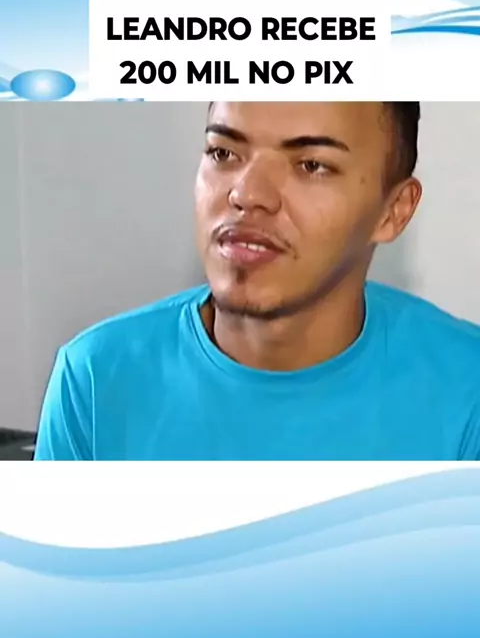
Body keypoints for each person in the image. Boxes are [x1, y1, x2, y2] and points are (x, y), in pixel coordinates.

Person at [34, 102, 480, 460]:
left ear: (393, 211)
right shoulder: (95, 379)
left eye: (312, 165)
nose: (247, 194)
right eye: (223, 153)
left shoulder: (466, 391)